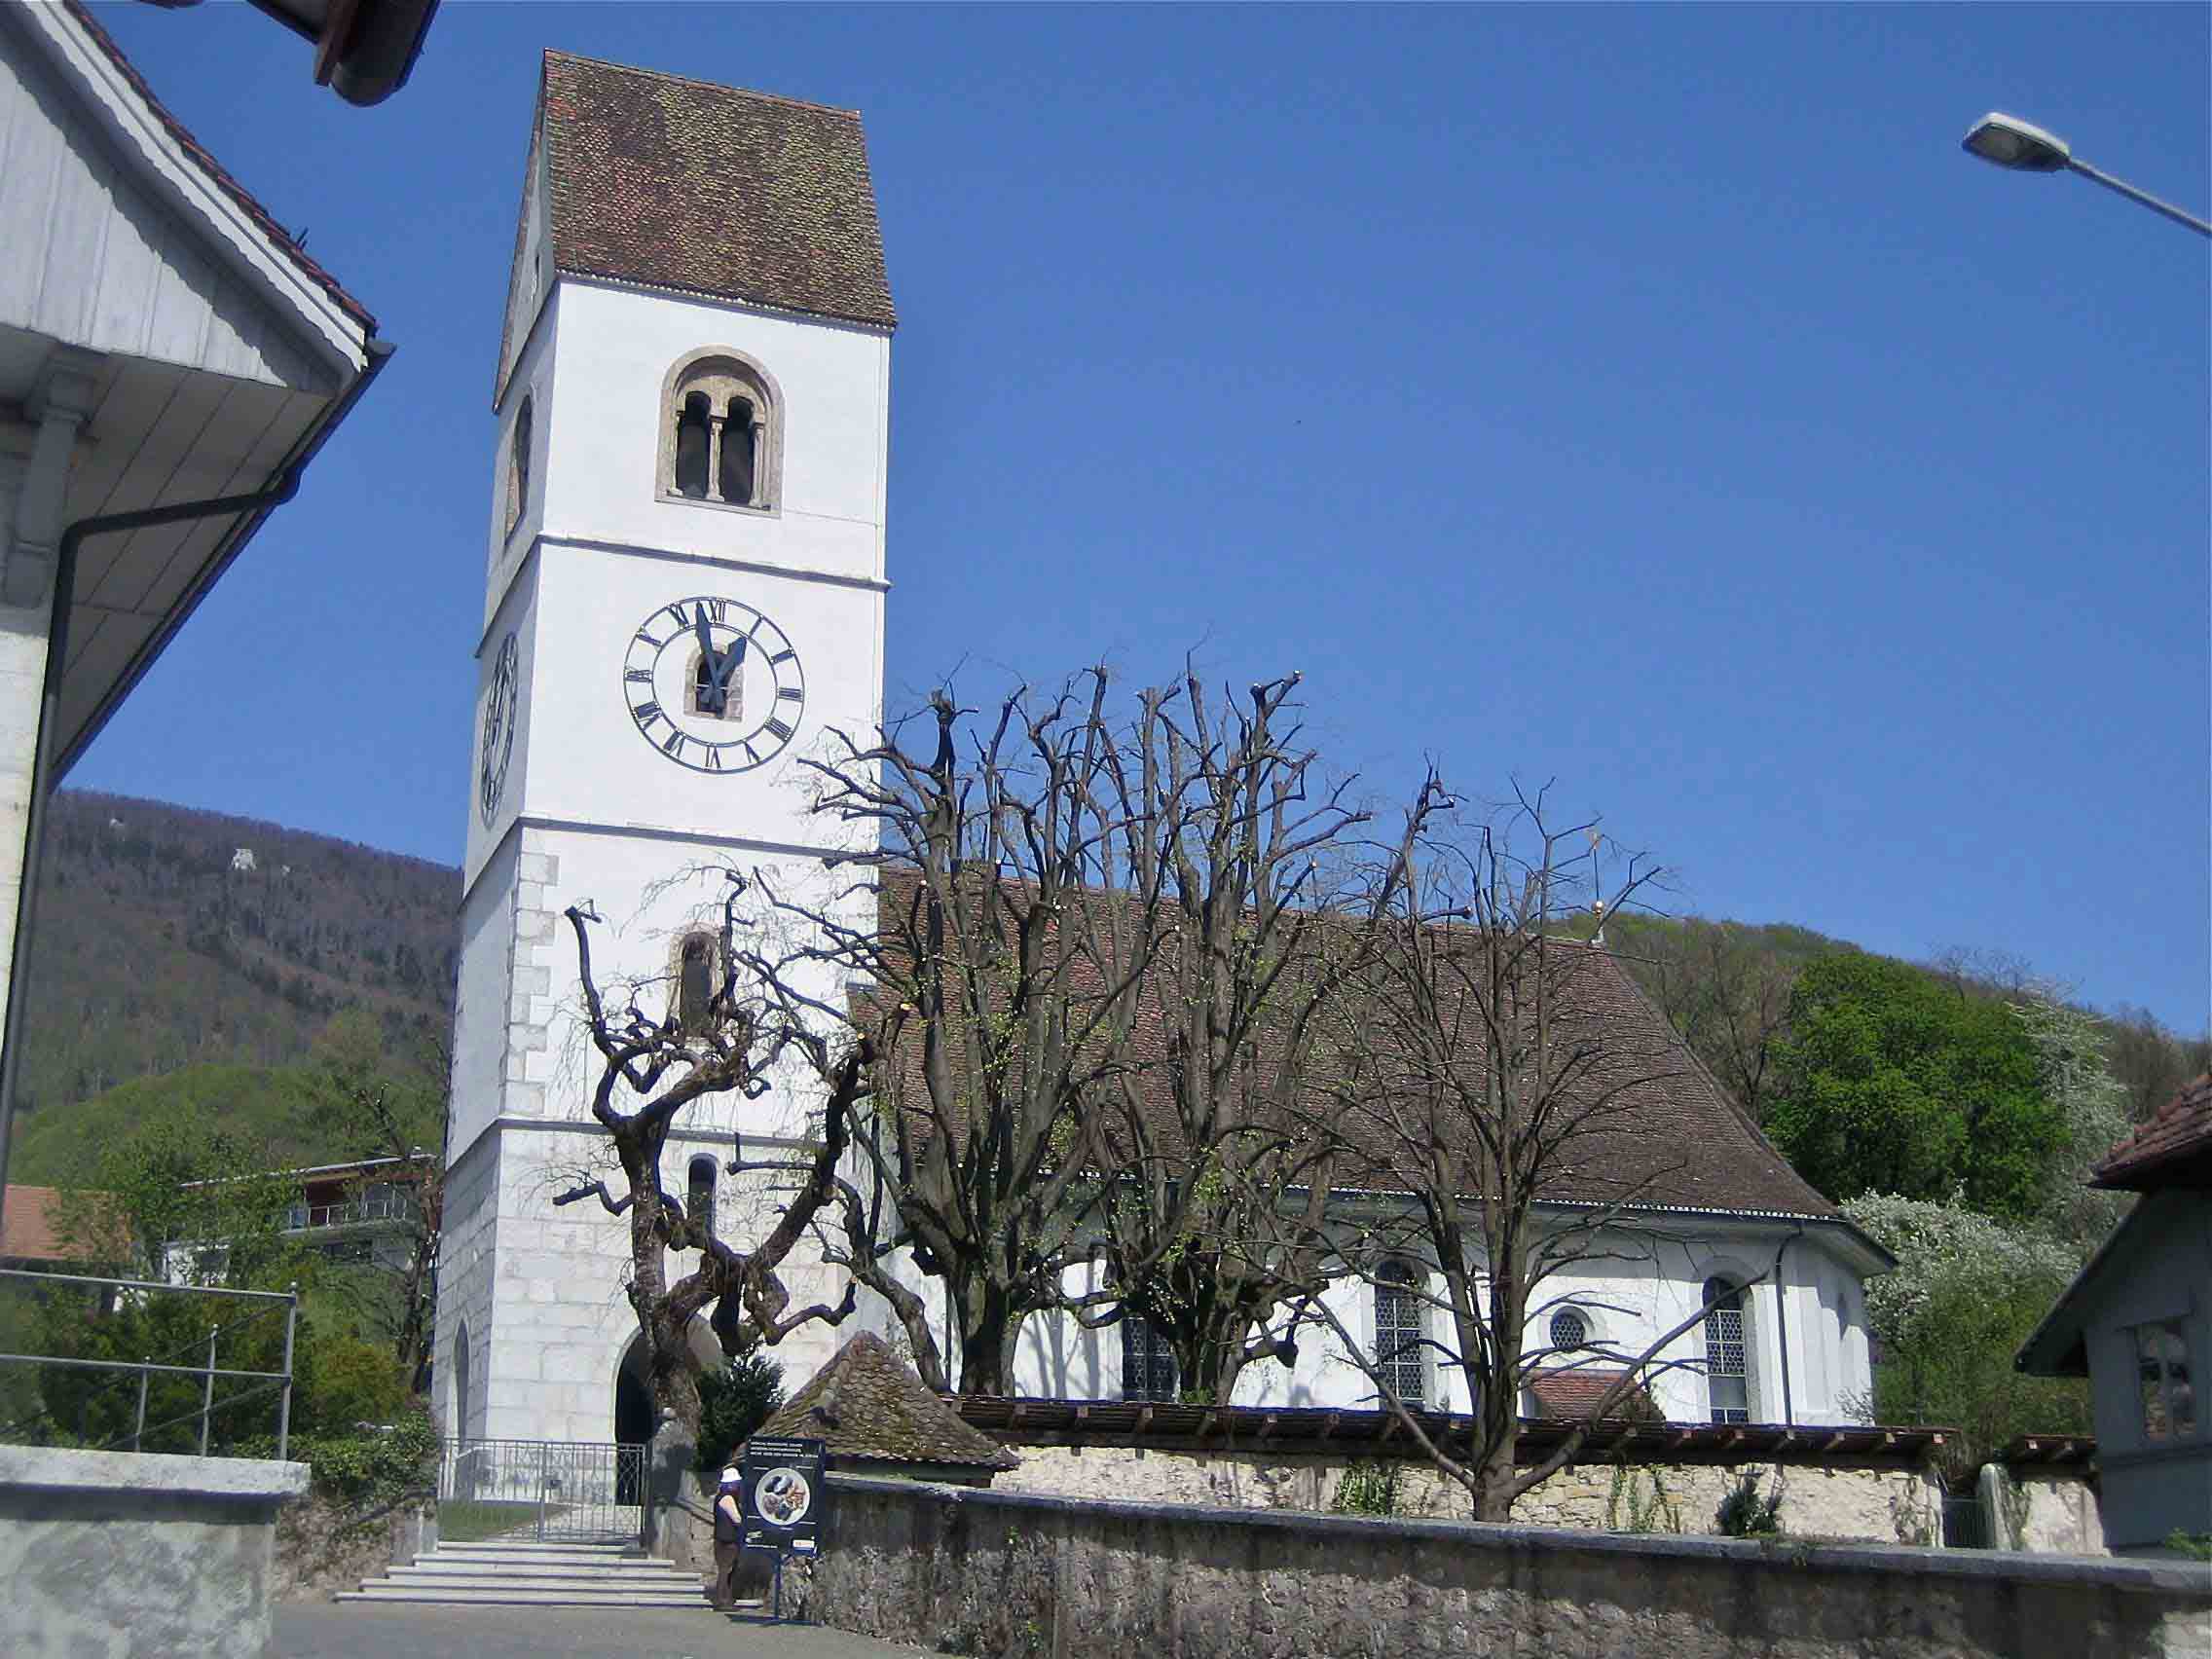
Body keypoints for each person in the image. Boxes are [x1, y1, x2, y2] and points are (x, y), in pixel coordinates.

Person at [712, 1465, 744, 1610]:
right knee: (725, 1571)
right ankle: (722, 1600)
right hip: (728, 1540)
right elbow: (737, 1519)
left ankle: (722, 1599)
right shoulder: (728, 1499)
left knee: (723, 1570)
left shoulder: (719, 1497)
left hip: (721, 1539)